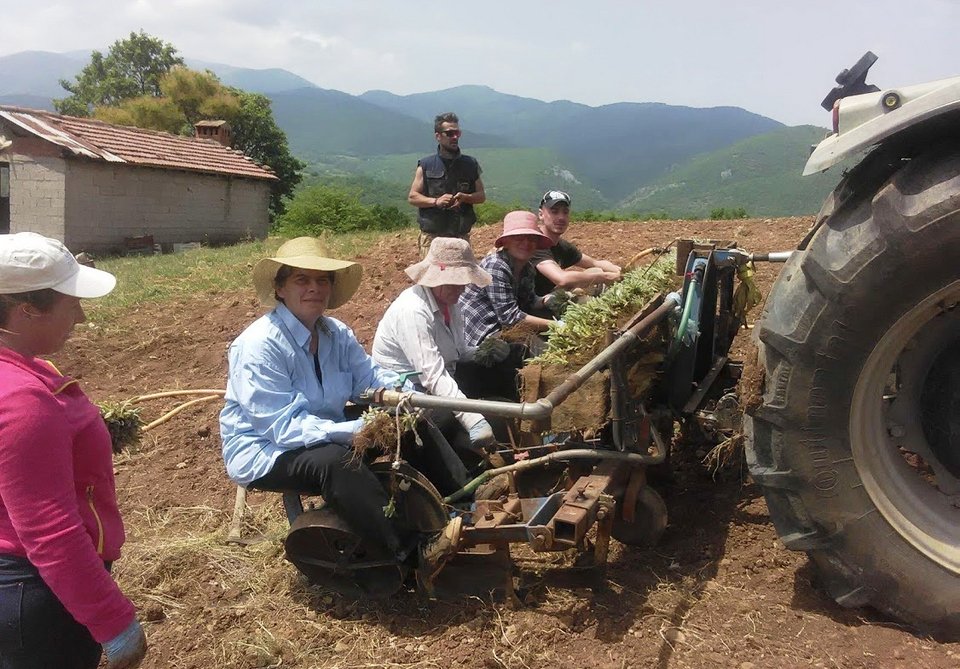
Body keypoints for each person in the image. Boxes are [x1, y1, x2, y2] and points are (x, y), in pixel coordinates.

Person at [219, 237, 461, 572]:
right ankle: (413, 550)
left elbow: (370, 376)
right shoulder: (259, 346)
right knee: (337, 462)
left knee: (412, 419)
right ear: (280, 289)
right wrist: (355, 430)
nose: (314, 288)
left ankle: (462, 502)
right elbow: (281, 428)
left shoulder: (335, 333)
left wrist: (404, 395)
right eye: (301, 280)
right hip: (264, 449)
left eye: (322, 280)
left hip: (323, 426)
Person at [0, 232, 147, 669]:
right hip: (38, 594)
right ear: (27, 310)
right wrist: (113, 621)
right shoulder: (24, 398)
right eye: (71, 303)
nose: (81, 316)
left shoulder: (26, 374)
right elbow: (50, 532)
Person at [372, 237, 508, 453]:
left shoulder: (449, 303)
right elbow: (432, 375)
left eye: (463, 281)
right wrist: (472, 418)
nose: (461, 288)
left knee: (504, 369)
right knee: (458, 423)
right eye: (455, 282)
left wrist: (485, 351)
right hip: (409, 396)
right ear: (434, 278)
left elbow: (459, 352)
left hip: (442, 379)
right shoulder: (413, 311)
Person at [460, 211, 557, 349]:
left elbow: (529, 301)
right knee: (536, 348)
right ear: (506, 242)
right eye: (519, 238)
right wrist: (556, 325)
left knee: (548, 315)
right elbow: (510, 318)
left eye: (531, 238)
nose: (526, 243)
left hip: (501, 325)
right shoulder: (495, 265)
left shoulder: (527, 268)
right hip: (482, 331)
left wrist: (545, 300)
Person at [408, 112, 486, 255]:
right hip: (432, 238)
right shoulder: (426, 165)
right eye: (450, 133)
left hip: (460, 237)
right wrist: (436, 201)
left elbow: (481, 196)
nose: (455, 137)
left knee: (460, 277)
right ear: (438, 136)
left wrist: (466, 198)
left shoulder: (471, 164)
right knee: (431, 277)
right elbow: (413, 197)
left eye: (457, 133)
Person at [532, 190, 622, 297]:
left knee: (594, 271)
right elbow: (562, 279)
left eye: (565, 212)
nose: (561, 217)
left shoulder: (561, 246)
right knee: (586, 294)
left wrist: (621, 273)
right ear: (541, 214)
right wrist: (606, 277)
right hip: (532, 306)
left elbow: (594, 263)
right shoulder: (535, 244)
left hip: (551, 296)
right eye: (554, 212)